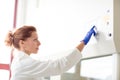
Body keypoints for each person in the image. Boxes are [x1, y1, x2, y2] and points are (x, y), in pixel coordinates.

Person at [4, 25, 96, 80]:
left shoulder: (21, 62)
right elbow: (59, 65)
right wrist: (83, 42)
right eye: (35, 40)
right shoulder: (23, 63)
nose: (39, 43)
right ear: (22, 43)